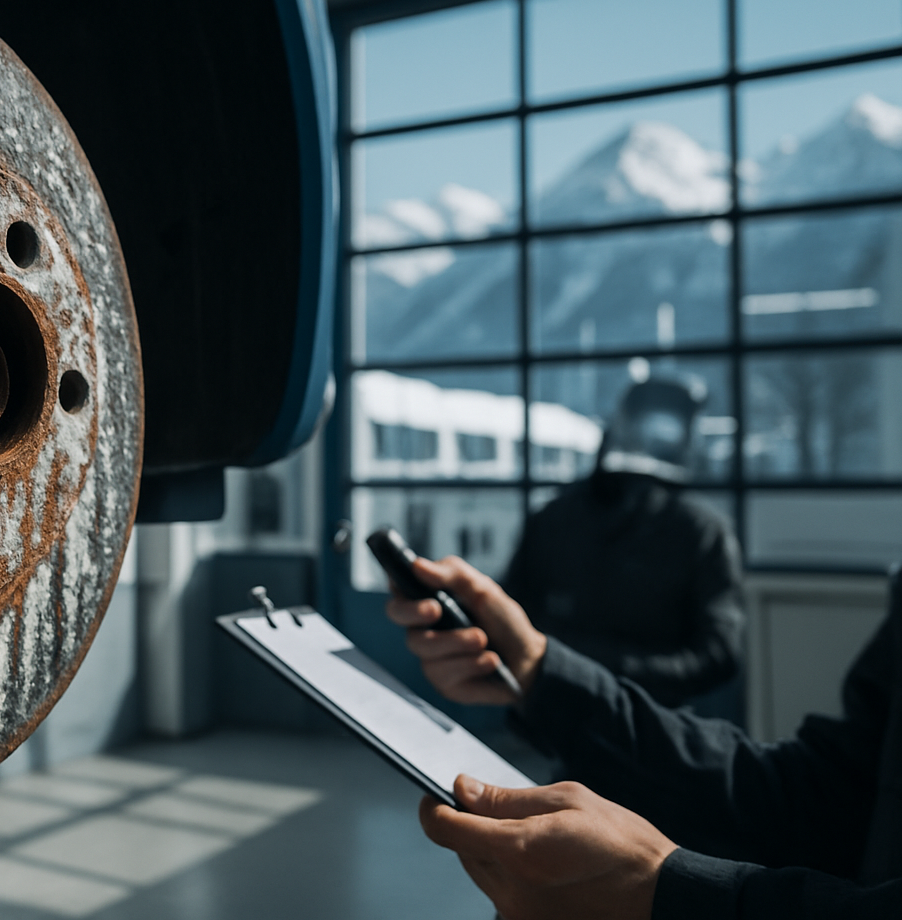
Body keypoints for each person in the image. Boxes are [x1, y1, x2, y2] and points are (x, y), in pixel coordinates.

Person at [384, 554, 900, 919]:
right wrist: (542, 671)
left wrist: (663, 893)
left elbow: (717, 653)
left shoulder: (699, 530)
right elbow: (826, 795)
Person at [505, 377, 744, 707]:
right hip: (556, 726)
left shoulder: (700, 531)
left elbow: (719, 655)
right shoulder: (553, 520)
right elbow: (510, 616)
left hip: (655, 732)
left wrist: (609, 673)